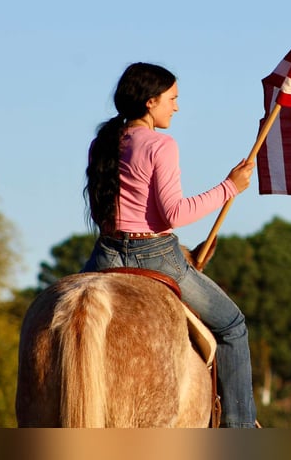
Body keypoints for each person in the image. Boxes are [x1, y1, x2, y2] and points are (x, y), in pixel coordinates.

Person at [81, 61, 257, 428]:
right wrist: (230, 187)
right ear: (150, 102)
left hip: (105, 255)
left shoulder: (103, 143)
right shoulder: (161, 144)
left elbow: (102, 209)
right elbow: (174, 213)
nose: (175, 107)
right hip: (155, 256)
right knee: (233, 326)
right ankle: (241, 431)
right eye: (172, 99)